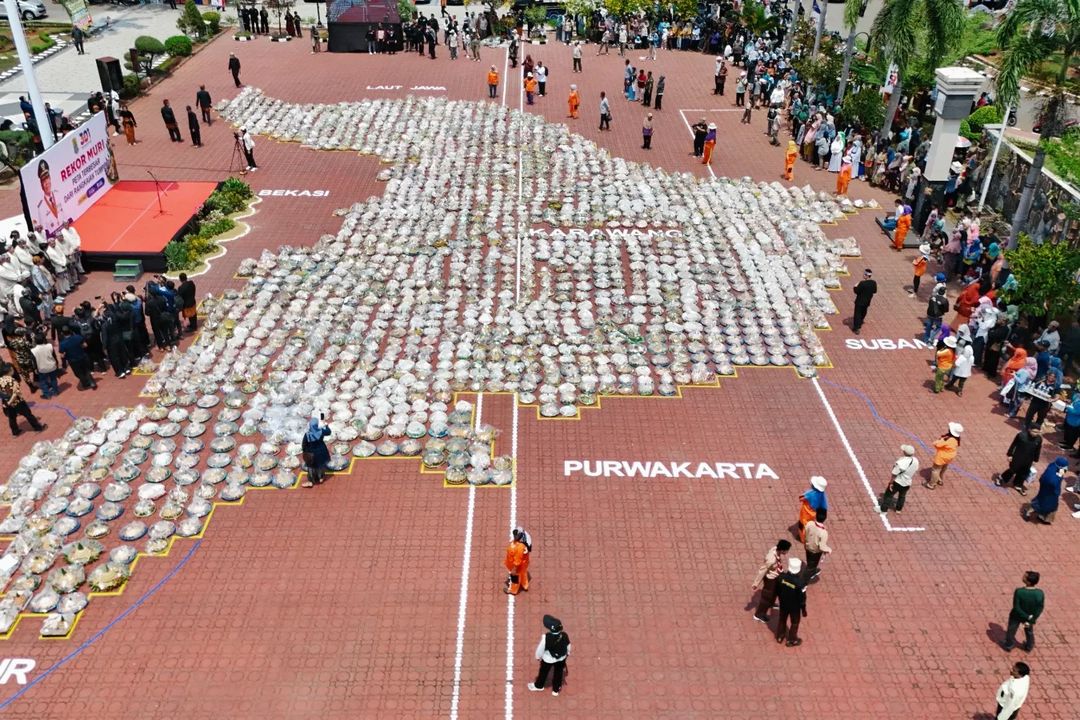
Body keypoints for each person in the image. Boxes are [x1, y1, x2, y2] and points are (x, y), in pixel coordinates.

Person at [527, 615, 570, 696]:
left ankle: (539, 686)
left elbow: (541, 649)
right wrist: (568, 653)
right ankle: (556, 690)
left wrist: (538, 657)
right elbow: (568, 646)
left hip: (548, 659)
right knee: (559, 673)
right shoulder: (564, 635)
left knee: (543, 672)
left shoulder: (546, 637)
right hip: (561, 658)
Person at [1001, 571, 1044, 651]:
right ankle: (1029, 646)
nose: (1022, 577)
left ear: (1028, 581)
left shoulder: (1019, 591)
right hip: (1029, 618)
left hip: (1016, 616)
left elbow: (1016, 607)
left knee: (1012, 630)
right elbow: (1040, 608)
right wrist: (1031, 618)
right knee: (1028, 631)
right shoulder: (1040, 593)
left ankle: (1009, 645)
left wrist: (1026, 616)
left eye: (1024, 577)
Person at [751, 539, 791, 623]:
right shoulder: (771, 560)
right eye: (787, 550)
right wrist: (756, 583)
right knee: (766, 597)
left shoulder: (775, 550)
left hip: (776, 576)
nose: (787, 551)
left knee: (775, 592)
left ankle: (771, 603)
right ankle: (758, 615)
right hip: (770, 579)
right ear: (782, 549)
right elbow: (762, 570)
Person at [0, 364, 45, 436]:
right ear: (9, 372)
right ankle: (38, 427)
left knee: (12, 418)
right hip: (18, 402)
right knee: (28, 414)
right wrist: (10, 402)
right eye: (12, 370)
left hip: (6, 402)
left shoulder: (0, 380)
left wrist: (7, 403)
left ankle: (15, 432)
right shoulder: (13, 380)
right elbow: (15, 393)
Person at [996, 427, 1042, 495]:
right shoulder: (1021, 435)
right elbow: (1013, 445)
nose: (1036, 434)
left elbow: (1038, 450)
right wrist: (1010, 455)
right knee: (1013, 470)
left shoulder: (1039, 439)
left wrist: (1035, 460)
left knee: (1023, 472)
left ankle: (1018, 484)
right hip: (1018, 457)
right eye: (1034, 432)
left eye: (1038, 432)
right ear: (1029, 430)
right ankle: (1001, 478)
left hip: (1029, 459)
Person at [774, 557, 807, 647]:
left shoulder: (781, 577)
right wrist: (803, 609)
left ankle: (780, 637)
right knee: (795, 622)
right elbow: (802, 598)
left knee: (782, 619)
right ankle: (792, 640)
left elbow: (777, 590)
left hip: (783, 604)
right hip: (795, 607)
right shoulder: (800, 583)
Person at [1024, 456, 1067, 524]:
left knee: (1042, 501)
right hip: (1050, 492)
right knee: (1045, 504)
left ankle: (1042, 517)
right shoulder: (1053, 477)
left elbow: (1060, 475)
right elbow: (1055, 483)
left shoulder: (1053, 466)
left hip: (1045, 489)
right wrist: (1057, 493)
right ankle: (1030, 512)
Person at [882, 444, 919, 513]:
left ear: (904, 452)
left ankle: (883, 509)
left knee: (888, 495)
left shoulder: (900, 462)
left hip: (897, 482)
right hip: (907, 482)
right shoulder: (916, 460)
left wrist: (890, 483)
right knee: (902, 496)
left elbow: (894, 473)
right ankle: (898, 509)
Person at [58, 326, 96, 390]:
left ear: (62, 333)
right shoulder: (78, 337)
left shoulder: (62, 343)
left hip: (73, 360)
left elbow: (62, 355)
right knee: (86, 370)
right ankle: (92, 382)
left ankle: (85, 383)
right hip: (82, 356)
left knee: (78, 373)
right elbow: (85, 345)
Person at [926, 422, 962, 489]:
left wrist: (940, 439)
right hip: (949, 457)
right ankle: (940, 479)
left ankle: (932, 484)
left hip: (942, 457)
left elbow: (936, 444)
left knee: (935, 470)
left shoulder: (947, 439)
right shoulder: (956, 439)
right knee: (943, 468)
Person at [300, 416, 332, 487]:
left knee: (311, 467)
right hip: (321, 451)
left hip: (311, 454)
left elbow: (304, 445)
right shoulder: (320, 432)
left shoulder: (307, 435)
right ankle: (321, 477)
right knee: (321, 465)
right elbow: (329, 432)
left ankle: (311, 481)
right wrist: (325, 425)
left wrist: (305, 452)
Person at [802, 508, 831, 580]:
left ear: (816, 516)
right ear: (825, 518)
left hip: (807, 546)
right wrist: (829, 549)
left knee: (809, 560)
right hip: (815, 552)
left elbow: (805, 534)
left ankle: (812, 569)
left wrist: (805, 544)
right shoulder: (823, 532)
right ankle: (805, 579)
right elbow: (822, 546)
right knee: (812, 565)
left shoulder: (809, 523)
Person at [30, 332, 60, 399]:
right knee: (53, 379)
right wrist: (56, 363)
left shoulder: (33, 350)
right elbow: (54, 356)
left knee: (43, 382)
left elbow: (34, 362)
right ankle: (56, 391)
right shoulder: (49, 346)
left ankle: (47, 394)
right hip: (52, 366)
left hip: (42, 368)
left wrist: (35, 369)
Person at [797, 476, 827, 540]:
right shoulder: (822, 495)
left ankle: (803, 538)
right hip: (814, 514)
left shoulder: (810, 494)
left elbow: (801, 498)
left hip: (806, 513)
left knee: (802, 525)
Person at [503, 527, 531, 595]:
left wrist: (514, 569)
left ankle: (513, 590)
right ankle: (525, 585)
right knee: (523, 573)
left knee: (515, 577)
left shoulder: (520, 547)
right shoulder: (523, 541)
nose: (515, 537)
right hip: (524, 564)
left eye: (516, 536)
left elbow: (517, 561)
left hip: (517, 565)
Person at [851, 268, 877, 334]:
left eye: (864, 274)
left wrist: (855, 286)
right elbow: (875, 291)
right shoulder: (873, 283)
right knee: (864, 311)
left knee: (857, 314)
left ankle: (856, 328)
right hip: (867, 301)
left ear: (866, 275)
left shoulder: (862, 283)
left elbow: (856, 291)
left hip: (859, 301)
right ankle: (861, 321)